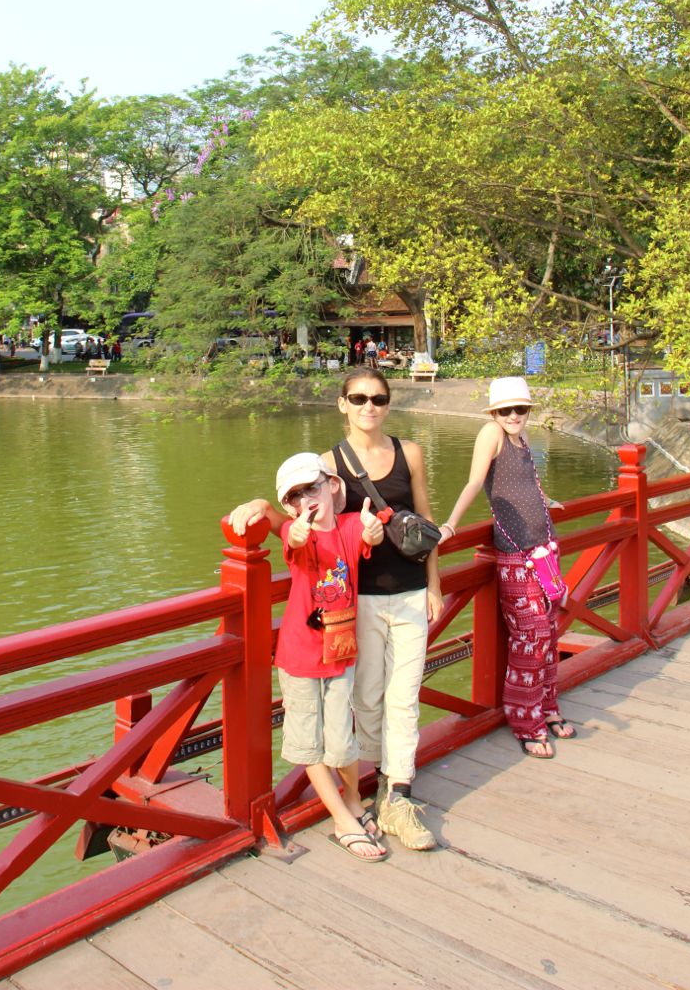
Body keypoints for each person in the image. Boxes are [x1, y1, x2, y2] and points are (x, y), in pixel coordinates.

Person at [230, 367, 443, 851]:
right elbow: (290, 511)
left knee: (404, 697)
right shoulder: (327, 464)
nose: (370, 406)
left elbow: (425, 520)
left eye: (379, 398)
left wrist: (435, 584)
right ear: (343, 404)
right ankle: (371, 786)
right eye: (359, 398)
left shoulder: (409, 452)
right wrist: (259, 502)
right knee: (366, 699)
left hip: (410, 591)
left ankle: (398, 795)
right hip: (356, 601)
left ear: (389, 403)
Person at [438, 377, 576, 759]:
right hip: (516, 554)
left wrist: (548, 499)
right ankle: (525, 720)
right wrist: (450, 524)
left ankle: (547, 707)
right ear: (494, 413)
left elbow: (527, 480)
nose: (513, 416)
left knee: (549, 635)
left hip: (544, 547)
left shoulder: (523, 437)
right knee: (530, 638)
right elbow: (474, 482)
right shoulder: (491, 434)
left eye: (521, 409)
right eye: (505, 410)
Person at [273, 451, 387, 862]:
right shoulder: (297, 532)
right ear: (290, 506)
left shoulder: (352, 525)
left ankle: (353, 800)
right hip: (300, 655)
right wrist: (295, 530)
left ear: (331, 485)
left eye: (312, 487)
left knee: (341, 740)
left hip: (340, 652)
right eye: (296, 496)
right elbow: (292, 539)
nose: (307, 499)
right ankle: (341, 819)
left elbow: (371, 534)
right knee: (309, 742)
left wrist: (374, 531)